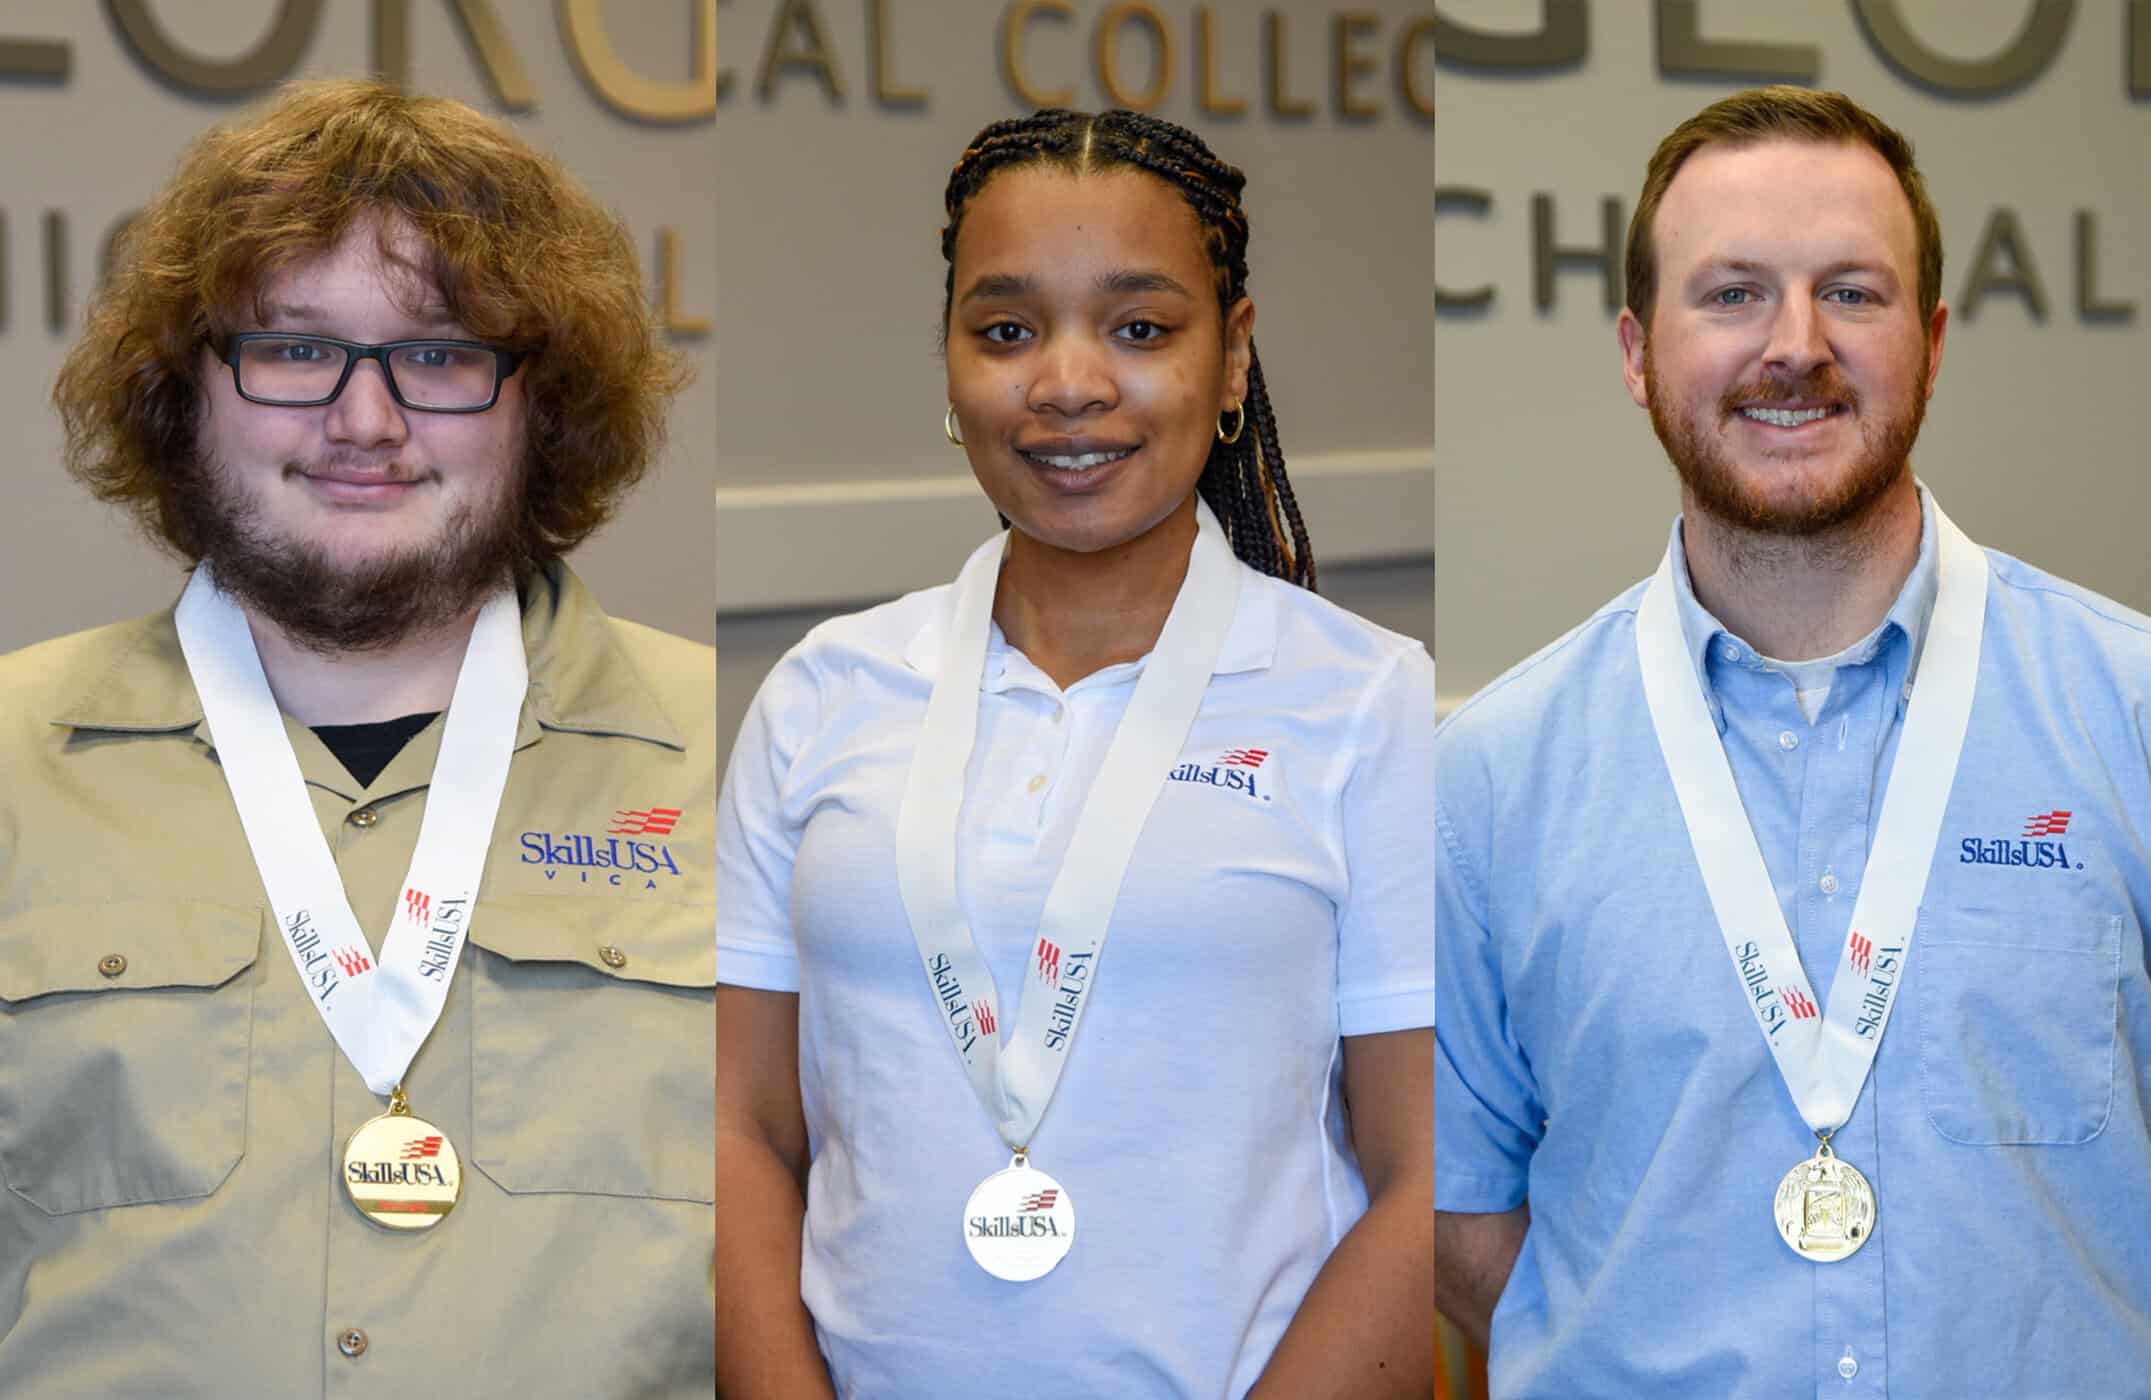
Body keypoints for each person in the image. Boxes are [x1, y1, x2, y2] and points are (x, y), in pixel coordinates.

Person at [1435, 85, 2151, 1396]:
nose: (1795, 345)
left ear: (1932, 343)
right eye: (1732, 294)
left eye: (1854, 293)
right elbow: (1465, 1219)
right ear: (1638, 351)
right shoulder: (1486, 777)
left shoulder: (2134, 719)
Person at [0, 80, 713, 1396]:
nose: (366, 421)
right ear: (181, 391)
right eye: (291, 348)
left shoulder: (742, 763)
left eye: (439, 355)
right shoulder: (10, 765)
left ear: (537, 407)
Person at [713, 109, 1434, 1398]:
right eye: (1006, 330)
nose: (1066, 383)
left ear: (1233, 360)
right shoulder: (825, 693)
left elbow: (1425, 1179)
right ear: (947, 362)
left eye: (1140, 328)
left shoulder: (1366, 703)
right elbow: (744, 1134)